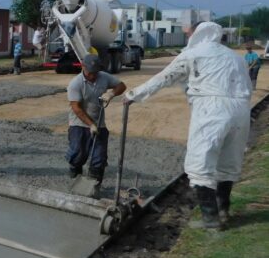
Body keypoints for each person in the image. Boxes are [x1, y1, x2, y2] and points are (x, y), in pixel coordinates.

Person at [124, 22, 251, 229]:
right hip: (241, 109)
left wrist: (133, 95)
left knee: (200, 163)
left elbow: (163, 78)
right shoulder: (236, 57)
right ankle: (224, 210)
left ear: (197, 35)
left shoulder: (193, 54)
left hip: (211, 108)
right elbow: (247, 86)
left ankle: (211, 219)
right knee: (228, 163)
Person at [65, 54, 127, 195]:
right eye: (90, 72)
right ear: (83, 67)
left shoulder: (103, 77)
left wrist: (111, 93)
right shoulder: (75, 84)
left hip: (99, 123)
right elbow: (76, 108)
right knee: (78, 154)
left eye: (95, 72)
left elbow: (122, 85)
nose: (93, 76)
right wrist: (90, 125)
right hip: (78, 123)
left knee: (99, 157)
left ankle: (94, 186)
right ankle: (75, 175)